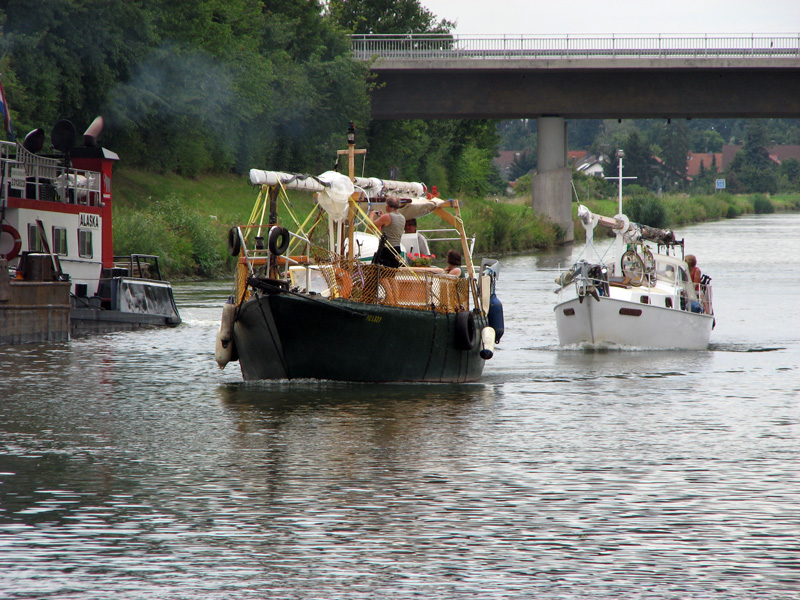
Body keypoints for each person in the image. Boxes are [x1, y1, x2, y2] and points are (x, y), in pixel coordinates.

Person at [369, 197, 405, 268]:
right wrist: (382, 217)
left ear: (388, 206)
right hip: (397, 249)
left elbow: (371, 225)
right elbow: (391, 225)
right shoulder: (402, 218)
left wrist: (371, 215)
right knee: (391, 274)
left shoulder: (387, 217)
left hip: (387, 249)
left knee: (383, 275)